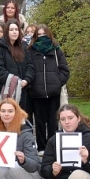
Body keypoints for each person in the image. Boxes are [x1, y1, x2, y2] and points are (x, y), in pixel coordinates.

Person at [28, 25, 70, 153]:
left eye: (44, 34)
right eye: (39, 34)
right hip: (36, 93)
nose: (42, 37)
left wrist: (57, 83)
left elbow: (65, 70)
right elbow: (28, 69)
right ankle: (41, 147)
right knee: (39, 122)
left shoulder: (56, 50)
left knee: (53, 121)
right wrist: (32, 84)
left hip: (53, 93)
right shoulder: (30, 51)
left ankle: (53, 147)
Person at [0, 21, 34, 114]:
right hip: (4, 89)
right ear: (6, 32)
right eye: (11, 30)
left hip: (23, 89)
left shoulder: (24, 47)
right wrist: (15, 81)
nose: (14, 32)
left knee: (21, 117)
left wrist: (26, 79)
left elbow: (30, 65)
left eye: (16, 29)